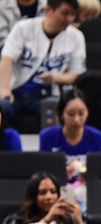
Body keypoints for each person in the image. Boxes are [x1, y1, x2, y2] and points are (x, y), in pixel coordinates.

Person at [0, 0, 84, 129]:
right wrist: (5, 89)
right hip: (16, 91)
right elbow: (7, 58)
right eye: (65, 13)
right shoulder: (23, 28)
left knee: (54, 108)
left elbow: (75, 73)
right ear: (48, 10)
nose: (69, 19)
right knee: (3, 107)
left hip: (47, 94)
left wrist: (56, 77)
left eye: (72, 15)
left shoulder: (76, 36)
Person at [39, 88, 101, 181]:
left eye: (81, 113)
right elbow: (43, 174)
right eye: (71, 114)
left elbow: (98, 174)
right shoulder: (47, 137)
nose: (76, 119)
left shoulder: (97, 138)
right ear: (61, 114)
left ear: (87, 112)